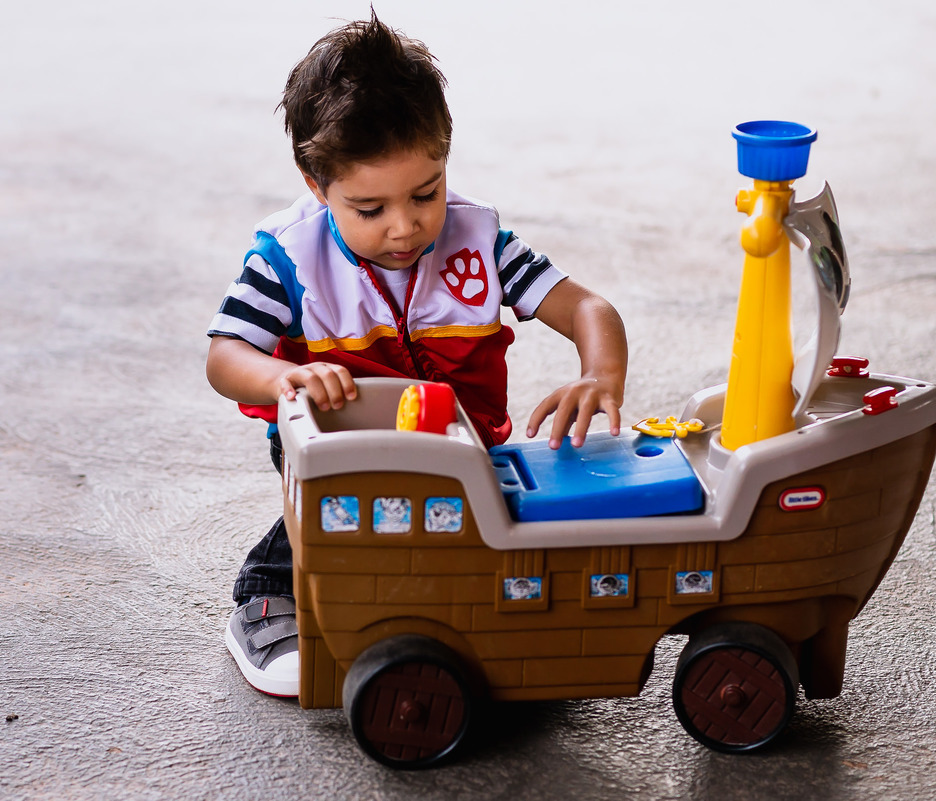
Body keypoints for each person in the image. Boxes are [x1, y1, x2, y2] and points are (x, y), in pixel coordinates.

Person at [205, 13, 628, 697]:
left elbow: (588, 308)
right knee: (341, 532)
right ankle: (267, 597)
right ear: (317, 184)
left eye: (424, 194)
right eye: (369, 208)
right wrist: (288, 375)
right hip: (338, 452)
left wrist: (599, 371)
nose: (405, 226)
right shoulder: (287, 256)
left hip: (464, 450)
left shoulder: (478, 240)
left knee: (478, 541)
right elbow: (225, 356)